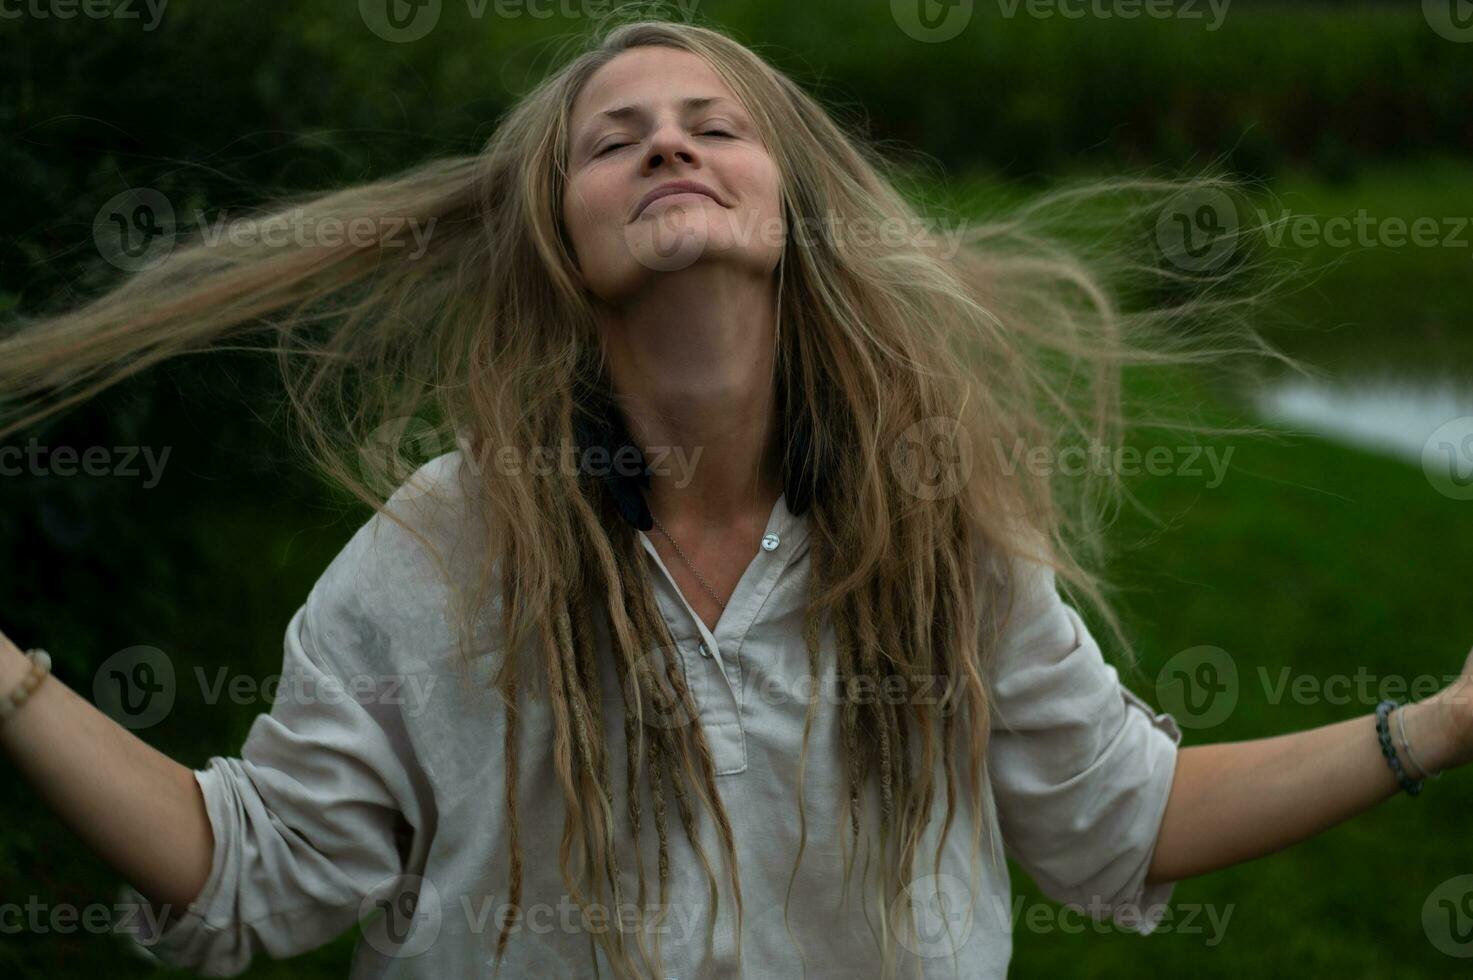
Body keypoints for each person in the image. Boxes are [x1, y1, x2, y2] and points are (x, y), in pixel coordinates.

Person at [2, 14, 1470, 980]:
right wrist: (14, 692)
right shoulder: (442, 546)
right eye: (611, 134)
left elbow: (1124, 817)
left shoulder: (928, 529)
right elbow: (247, 871)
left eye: (715, 121)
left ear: (788, 210)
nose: (666, 142)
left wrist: (1446, 723)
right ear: (556, 238)